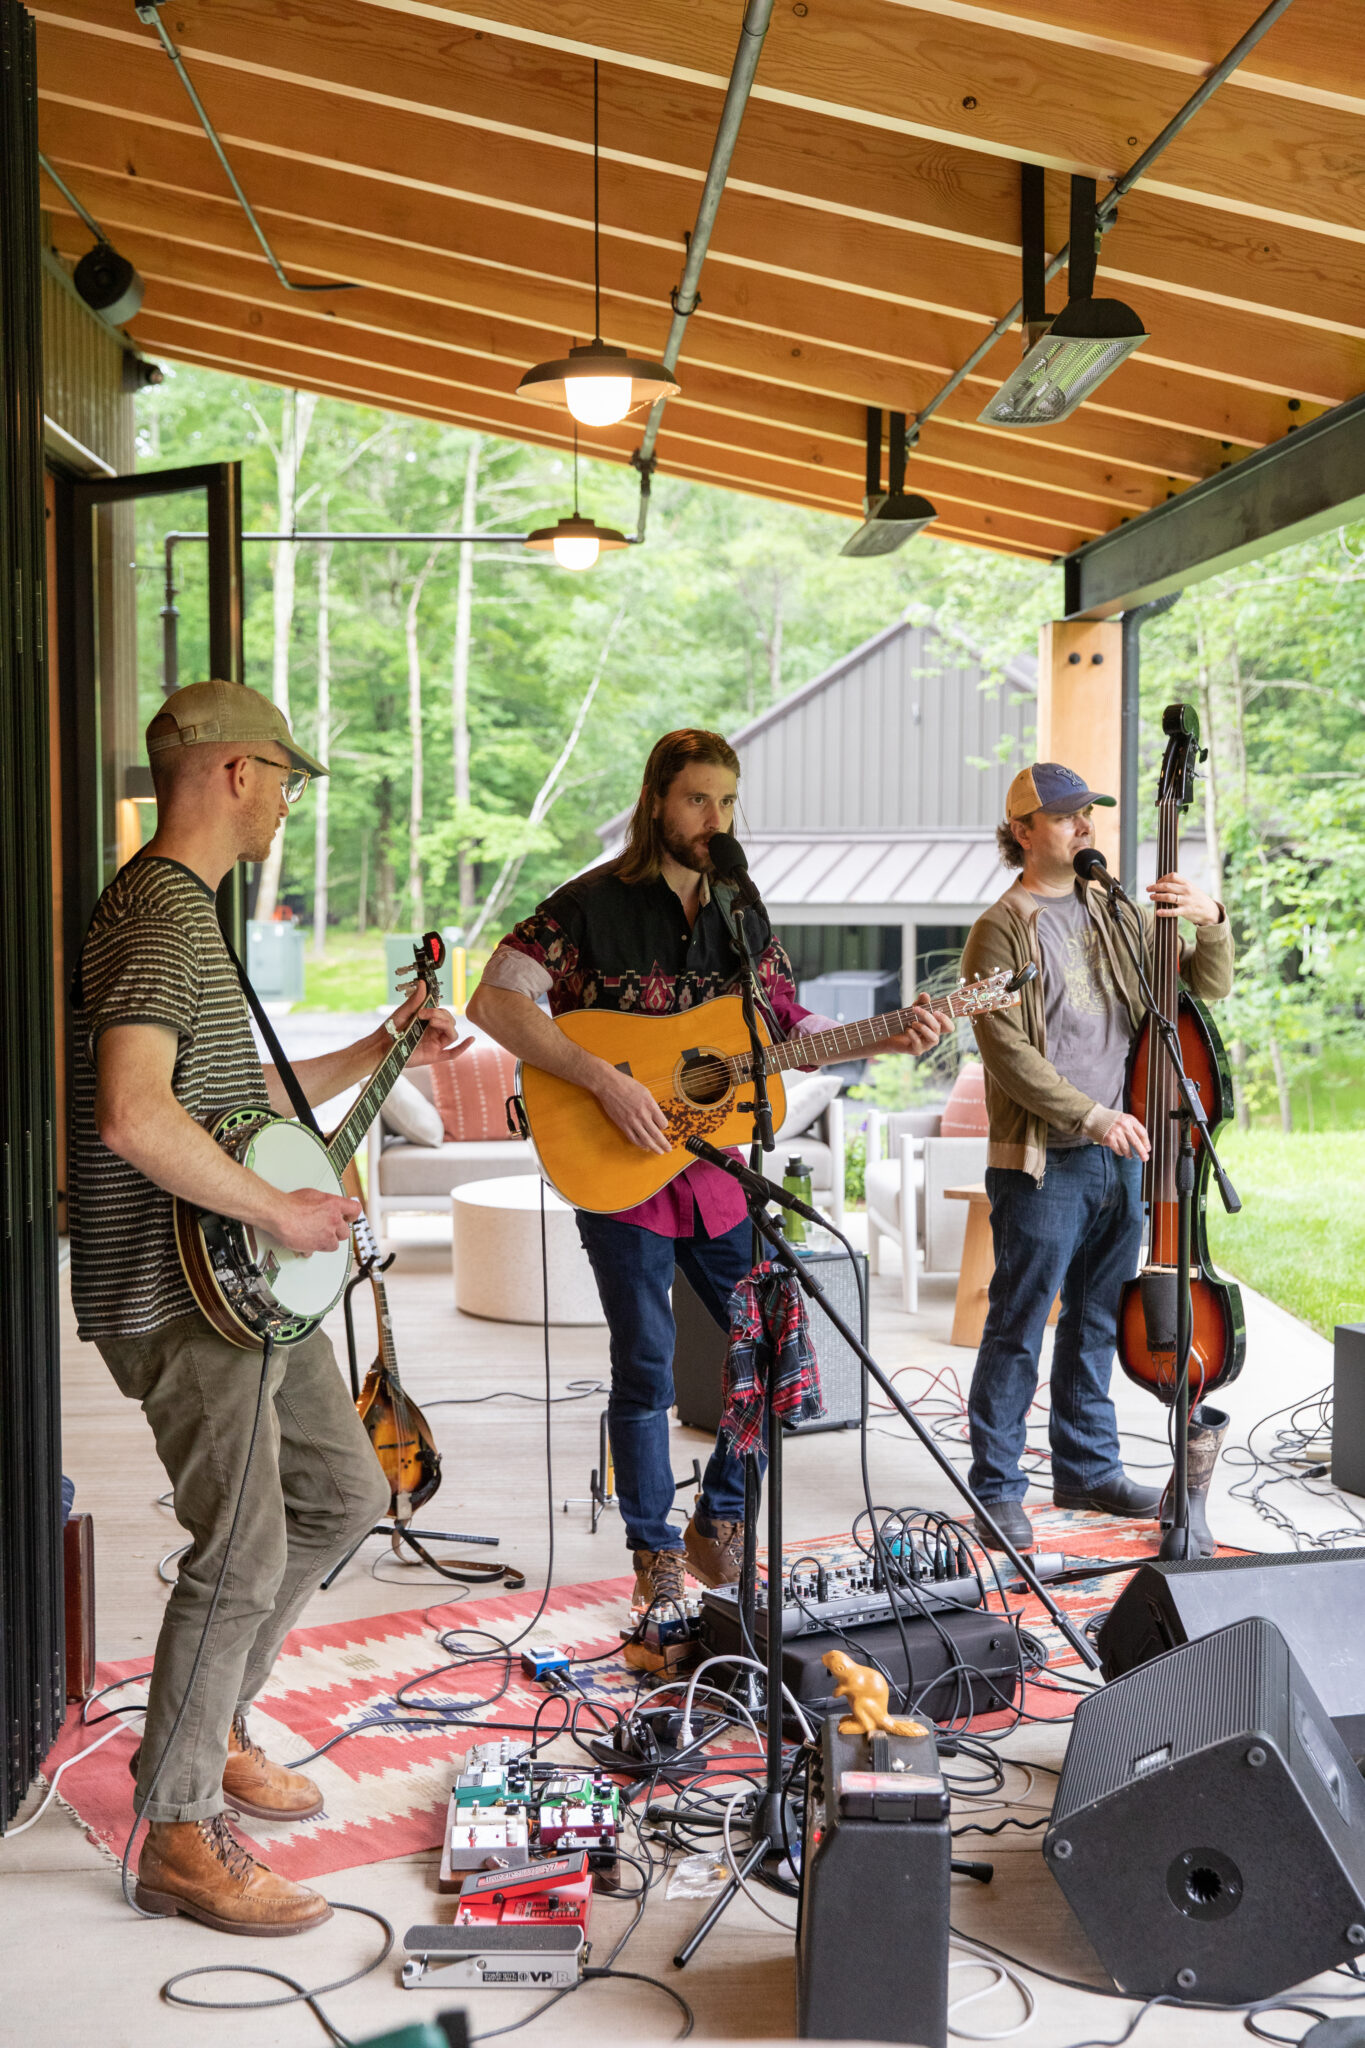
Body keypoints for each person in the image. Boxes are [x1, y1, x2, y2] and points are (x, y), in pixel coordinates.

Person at [69, 680, 469, 1935]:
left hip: (237, 1290)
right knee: (237, 1546)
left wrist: (387, 1040)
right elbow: (134, 1114)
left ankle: (214, 1714)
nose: (289, 803)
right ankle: (178, 1831)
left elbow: (240, 1093)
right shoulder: (154, 916)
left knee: (344, 1492)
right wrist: (281, 1210)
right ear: (234, 771)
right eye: (286, 780)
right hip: (179, 1289)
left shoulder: (188, 912)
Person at [467, 729, 942, 1647]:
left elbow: (782, 1021)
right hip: (620, 1168)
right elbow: (497, 1001)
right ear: (655, 799)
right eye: (696, 801)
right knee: (644, 1360)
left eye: (726, 803)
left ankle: (720, 1518)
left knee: (773, 1340)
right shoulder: (587, 907)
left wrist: (876, 1035)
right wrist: (605, 1078)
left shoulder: (739, 906)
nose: (713, 821)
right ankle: (655, 1555)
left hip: (717, 1167)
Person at [958, 760, 1233, 1551]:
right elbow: (1006, 1049)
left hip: (1125, 1150)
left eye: (1089, 814)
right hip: (1046, 1159)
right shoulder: (1000, 927)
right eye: (1069, 816)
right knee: (1017, 1324)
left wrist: (1208, 918)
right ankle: (997, 1488)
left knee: (1095, 1323)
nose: (1086, 827)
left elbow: (1199, 989)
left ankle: (1084, 1466)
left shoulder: (1107, 908)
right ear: (1022, 831)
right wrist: (1090, 1115)